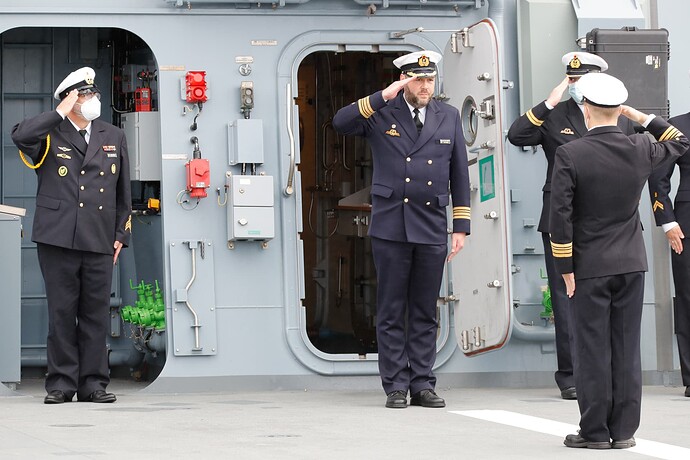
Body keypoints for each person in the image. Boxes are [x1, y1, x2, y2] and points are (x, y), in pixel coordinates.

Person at [549, 72, 689, 449]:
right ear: (618, 110)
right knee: (626, 349)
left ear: (586, 110)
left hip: (588, 266)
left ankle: (594, 432)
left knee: (592, 349)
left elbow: (559, 217)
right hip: (630, 262)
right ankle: (624, 431)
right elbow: (680, 140)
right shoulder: (642, 147)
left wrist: (565, 269)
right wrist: (640, 116)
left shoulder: (570, 153)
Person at [332, 50, 470, 409]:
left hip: (430, 225)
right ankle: (395, 384)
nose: (425, 86)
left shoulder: (449, 116)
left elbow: (459, 174)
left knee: (425, 309)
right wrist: (384, 95)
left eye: (429, 79)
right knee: (392, 308)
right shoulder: (382, 113)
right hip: (391, 224)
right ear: (404, 80)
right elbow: (341, 122)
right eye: (417, 79)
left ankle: (422, 383)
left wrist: (461, 227)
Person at [507, 51, 634, 400]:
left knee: (606, 296)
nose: (575, 86)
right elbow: (517, 136)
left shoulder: (619, 117)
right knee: (566, 296)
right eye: (571, 79)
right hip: (562, 218)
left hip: (607, 222)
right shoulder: (556, 115)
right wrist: (549, 101)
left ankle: (605, 372)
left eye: (580, 81)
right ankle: (572, 375)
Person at [12, 67, 132, 404]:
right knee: (62, 312)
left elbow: (123, 192)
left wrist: (121, 233)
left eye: (93, 94)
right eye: (84, 95)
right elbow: (20, 136)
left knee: (95, 313)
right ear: (70, 99)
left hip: (99, 237)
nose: (92, 99)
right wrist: (58, 112)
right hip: (58, 238)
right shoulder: (50, 134)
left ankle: (94, 383)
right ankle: (62, 383)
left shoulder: (113, 135)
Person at [648, 108, 690, 398]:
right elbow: (658, 177)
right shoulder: (678, 125)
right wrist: (667, 221)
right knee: (688, 296)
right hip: (687, 224)